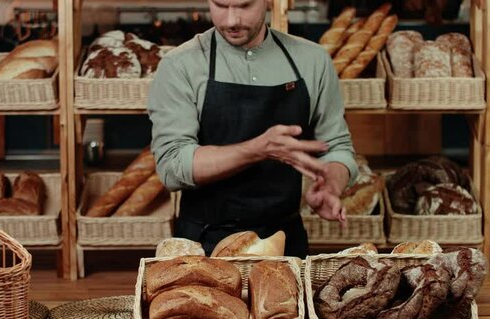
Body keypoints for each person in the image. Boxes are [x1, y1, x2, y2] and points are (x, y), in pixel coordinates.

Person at [148, 0, 358, 258]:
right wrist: (259, 149)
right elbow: (172, 167)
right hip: (203, 246)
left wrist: (331, 185)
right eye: (220, 5)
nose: (231, 20)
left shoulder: (311, 60)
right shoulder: (180, 64)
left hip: (284, 244)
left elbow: (338, 148)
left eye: (244, 6)